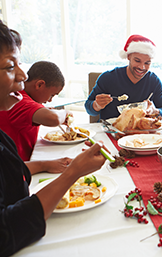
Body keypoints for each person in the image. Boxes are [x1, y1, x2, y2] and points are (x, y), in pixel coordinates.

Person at [0, 20, 106, 256]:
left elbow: (11, 178)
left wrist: (46, 165)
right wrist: (73, 172)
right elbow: (7, 232)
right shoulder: (22, 103)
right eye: (9, 66)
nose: (22, 75)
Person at [85, 34, 162, 121]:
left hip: (141, 130)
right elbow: (89, 108)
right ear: (129, 57)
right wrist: (96, 105)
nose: (142, 67)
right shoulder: (108, 78)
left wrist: (155, 110)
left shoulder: (153, 81)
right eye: (137, 61)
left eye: (147, 63)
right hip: (111, 131)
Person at [0, 61, 72, 162]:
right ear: (39, 85)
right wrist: (65, 113)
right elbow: (53, 119)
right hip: (18, 167)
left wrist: (44, 110)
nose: (50, 100)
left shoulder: (19, 96)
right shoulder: (19, 100)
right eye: (52, 95)